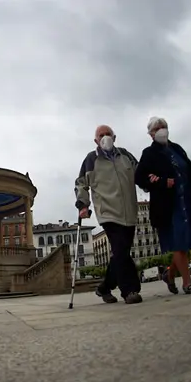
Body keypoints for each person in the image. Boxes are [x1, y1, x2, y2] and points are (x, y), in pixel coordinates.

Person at [134, 117, 191, 295]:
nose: (161, 130)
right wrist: (162, 182)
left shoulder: (177, 149)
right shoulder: (149, 153)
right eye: (157, 128)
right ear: (151, 134)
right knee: (178, 244)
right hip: (167, 207)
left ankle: (169, 274)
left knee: (184, 245)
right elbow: (139, 177)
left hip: (185, 201)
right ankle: (187, 282)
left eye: (163, 127)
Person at [75, 124, 143, 304]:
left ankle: (104, 288)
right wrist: (83, 204)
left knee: (120, 252)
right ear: (95, 141)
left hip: (129, 211)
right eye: (101, 135)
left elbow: (140, 174)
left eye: (108, 134)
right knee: (121, 251)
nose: (105, 137)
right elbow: (81, 183)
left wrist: (152, 182)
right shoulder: (91, 159)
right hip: (108, 212)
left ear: (115, 137)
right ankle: (129, 290)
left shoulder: (126, 155)